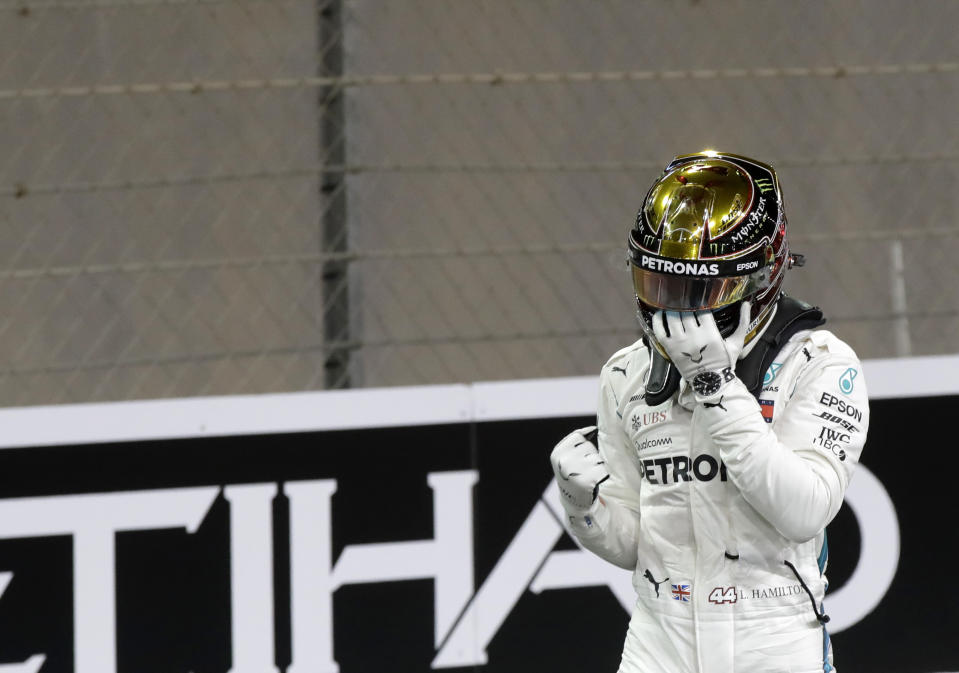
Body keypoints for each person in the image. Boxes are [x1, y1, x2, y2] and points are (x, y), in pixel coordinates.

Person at [549, 151, 869, 673]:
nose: (675, 307)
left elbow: (804, 510)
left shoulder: (820, 364)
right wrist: (583, 508)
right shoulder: (625, 374)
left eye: (700, 288)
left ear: (761, 276)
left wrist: (715, 386)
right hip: (658, 639)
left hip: (774, 639)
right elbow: (636, 544)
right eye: (661, 285)